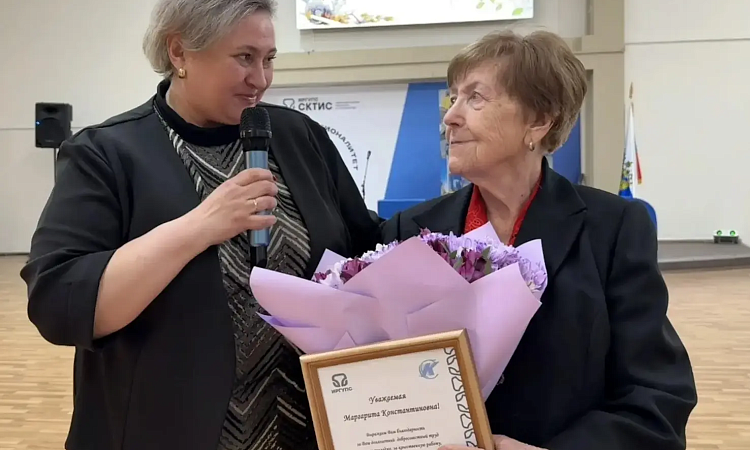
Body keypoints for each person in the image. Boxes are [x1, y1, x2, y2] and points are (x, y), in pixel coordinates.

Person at [20, 1, 380, 449]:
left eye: (268, 59)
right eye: (244, 57)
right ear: (179, 52)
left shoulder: (299, 137)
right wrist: (199, 227)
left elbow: (366, 247)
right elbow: (60, 302)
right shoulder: (105, 153)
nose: (260, 79)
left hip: (304, 429)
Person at [382, 30, 697, 450]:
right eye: (453, 98)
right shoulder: (409, 231)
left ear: (539, 120)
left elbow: (658, 397)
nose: (450, 117)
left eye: (475, 98)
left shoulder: (614, 229)